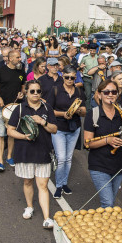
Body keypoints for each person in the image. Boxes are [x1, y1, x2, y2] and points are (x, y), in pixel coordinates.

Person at [7, 80, 58, 229]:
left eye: (38, 91)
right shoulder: (20, 109)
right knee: (28, 182)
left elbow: (54, 129)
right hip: (25, 152)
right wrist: (24, 136)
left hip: (43, 152)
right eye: (32, 91)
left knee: (43, 185)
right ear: (26, 93)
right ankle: (29, 206)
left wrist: (43, 122)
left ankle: (47, 218)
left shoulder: (47, 108)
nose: (36, 94)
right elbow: (10, 130)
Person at [84, 79, 122, 208]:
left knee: (111, 201)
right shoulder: (92, 114)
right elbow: (88, 143)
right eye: (106, 92)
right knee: (108, 203)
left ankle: (104, 225)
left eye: (114, 92)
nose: (110, 94)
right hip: (99, 165)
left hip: (119, 164)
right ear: (99, 94)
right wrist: (107, 140)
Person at [46, 67, 85, 199]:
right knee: (61, 158)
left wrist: (78, 111)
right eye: (67, 77)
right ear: (62, 76)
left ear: (75, 78)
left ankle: (64, 183)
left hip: (74, 128)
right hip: (59, 127)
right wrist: (64, 114)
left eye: (72, 78)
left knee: (68, 158)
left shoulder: (79, 91)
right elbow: (49, 110)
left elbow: (85, 111)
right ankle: (58, 185)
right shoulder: (55, 90)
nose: (69, 80)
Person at [0, 49, 26, 171]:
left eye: (20, 57)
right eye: (17, 58)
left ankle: (9, 157)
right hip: (2, 108)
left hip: (15, 108)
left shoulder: (21, 71)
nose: (20, 59)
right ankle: (0, 161)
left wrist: (22, 93)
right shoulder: (0, 71)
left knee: (11, 133)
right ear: (10, 59)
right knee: (0, 134)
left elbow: (23, 87)